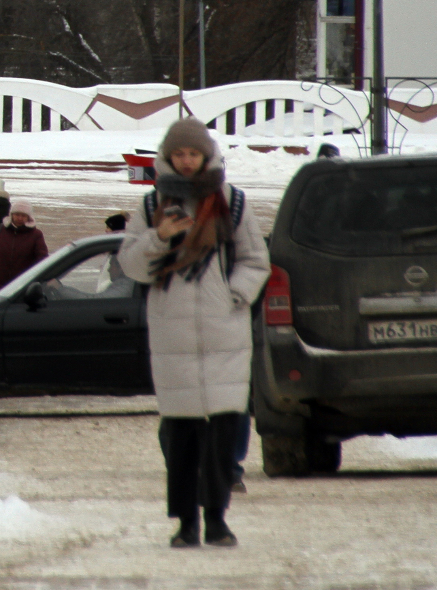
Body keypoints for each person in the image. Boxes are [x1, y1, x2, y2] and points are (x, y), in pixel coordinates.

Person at [117, 118, 270, 549]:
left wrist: (233, 296)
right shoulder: (151, 207)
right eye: (179, 154)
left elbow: (256, 260)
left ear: (206, 156)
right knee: (180, 436)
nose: (187, 162)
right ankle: (186, 523)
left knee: (223, 434)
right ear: (167, 157)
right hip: (173, 339)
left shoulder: (233, 204)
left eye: (193, 154)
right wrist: (158, 238)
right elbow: (130, 265)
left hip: (225, 335)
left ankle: (218, 518)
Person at [0, 199, 48, 298]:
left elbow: (42, 261)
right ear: (11, 214)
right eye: (17, 214)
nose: (19, 218)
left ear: (28, 217)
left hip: (23, 288)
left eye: (23, 215)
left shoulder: (36, 235)